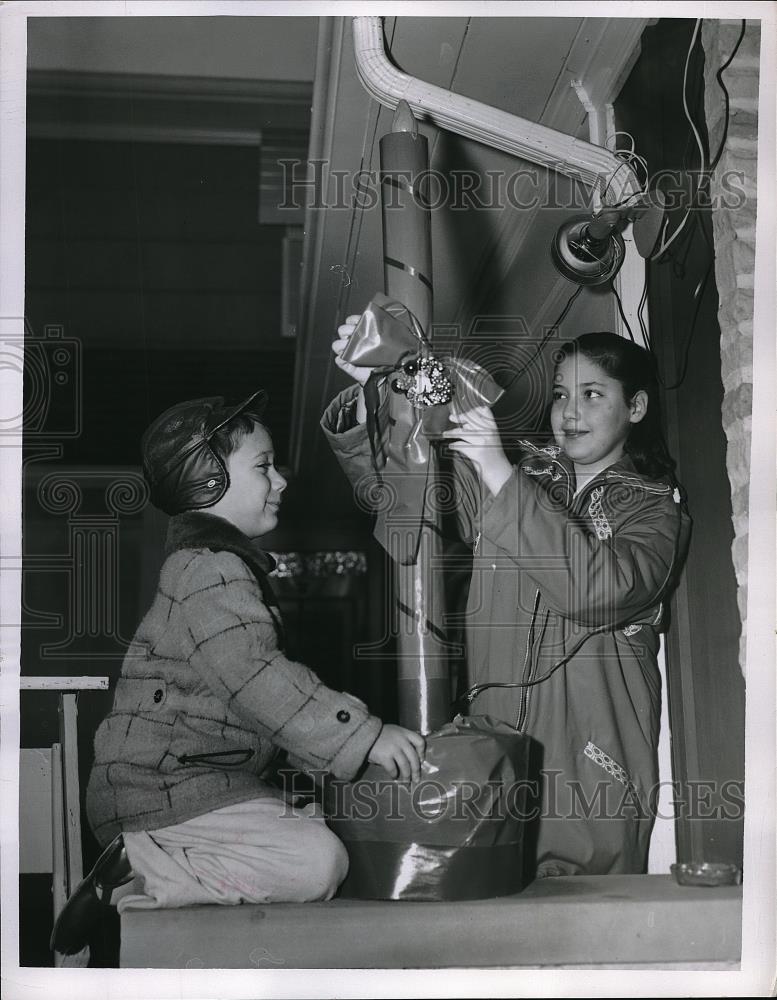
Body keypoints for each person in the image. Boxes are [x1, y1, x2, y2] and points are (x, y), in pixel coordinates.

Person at [51, 390, 424, 956]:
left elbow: (249, 705)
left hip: (202, 783)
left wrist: (329, 757)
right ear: (208, 483)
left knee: (319, 832)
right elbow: (260, 682)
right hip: (165, 791)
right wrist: (361, 734)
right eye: (263, 467)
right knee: (318, 863)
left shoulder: (214, 568)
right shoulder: (211, 571)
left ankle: (159, 861)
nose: (281, 480)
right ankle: (143, 870)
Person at [322, 320, 690, 879]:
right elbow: (403, 497)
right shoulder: (515, 477)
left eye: (593, 395)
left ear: (636, 407)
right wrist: (390, 387)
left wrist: (498, 468)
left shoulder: (656, 512)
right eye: (561, 395)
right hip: (493, 758)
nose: (570, 413)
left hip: (589, 773)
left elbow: (595, 590)